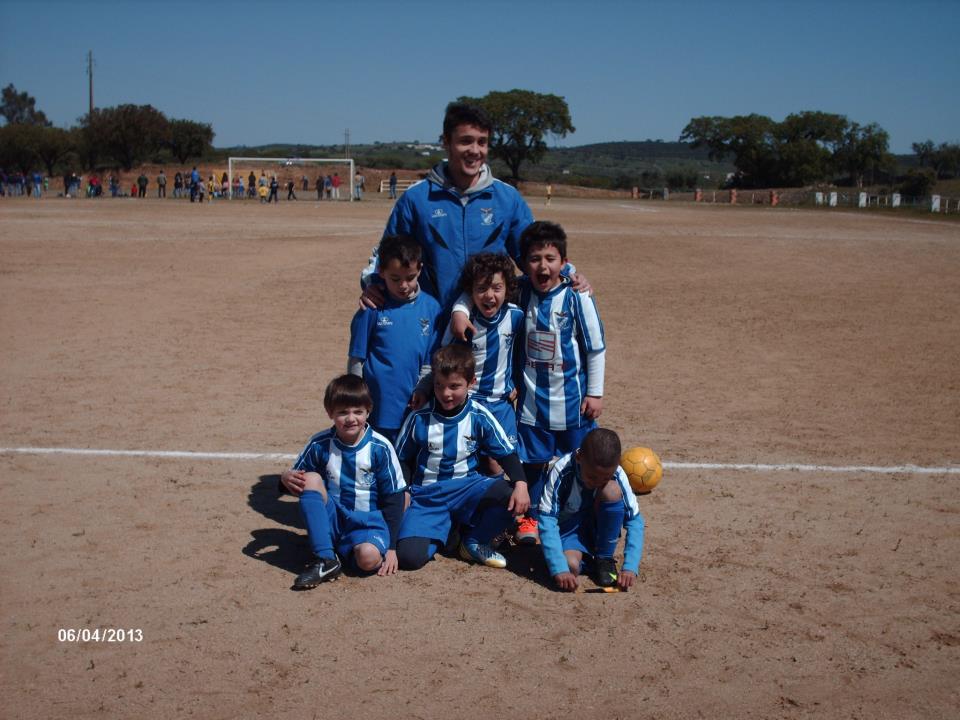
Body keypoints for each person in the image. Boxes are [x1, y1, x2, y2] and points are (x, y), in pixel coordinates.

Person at [393, 344, 530, 570]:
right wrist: (404, 491)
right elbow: (402, 459)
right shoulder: (419, 418)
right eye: (439, 385)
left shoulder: (479, 415)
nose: (446, 393)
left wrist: (521, 484)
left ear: (471, 383)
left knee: (511, 496)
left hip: (467, 488)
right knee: (409, 558)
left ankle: (473, 541)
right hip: (428, 495)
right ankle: (448, 535)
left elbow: (506, 454)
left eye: (454, 386)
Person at [512, 221, 606, 543]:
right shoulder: (519, 292)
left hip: (573, 403)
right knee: (533, 462)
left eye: (550, 259)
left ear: (563, 262)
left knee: (581, 461)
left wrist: (595, 393)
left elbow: (595, 348)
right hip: (532, 402)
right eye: (535, 259)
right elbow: (481, 290)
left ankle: (583, 516)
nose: (543, 266)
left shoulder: (577, 296)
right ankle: (532, 518)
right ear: (524, 263)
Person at [280, 374, 407, 588]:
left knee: (367, 558)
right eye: (342, 412)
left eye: (358, 412)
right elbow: (297, 482)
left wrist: (392, 547)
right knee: (309, 478)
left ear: (368, 411)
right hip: (334, 518)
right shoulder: (319, 443)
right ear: (330, 412)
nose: (351, 419)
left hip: (367, 523)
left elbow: (394, 498)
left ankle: (343, 551)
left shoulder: (380, 448)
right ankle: (326, 559)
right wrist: (284, 478)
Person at [414, 253, 524, 477]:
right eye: (481, 289)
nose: (489, 295)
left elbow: (522, 354)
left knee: (501, 462)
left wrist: (517, 383)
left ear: (507, 289)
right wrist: (424, 387)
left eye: (497, 288)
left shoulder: (516, 316)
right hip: (469, 402)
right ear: (470, 292)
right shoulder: (462, 322)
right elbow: (440, 357)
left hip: (501, 404)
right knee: (473, 460)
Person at [348, 235, 441, 444]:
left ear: (420, 269)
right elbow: (357, 358)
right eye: (395, 279)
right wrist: (357, 397)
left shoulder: (432, 308)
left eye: (410, 277)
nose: (403, 285)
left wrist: (422, 389)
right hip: (377, 409)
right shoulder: (371, 308)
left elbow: (430, 361)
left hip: (414, 407)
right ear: (381, 272)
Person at [536, 428, 644, 592]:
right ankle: (582, 558)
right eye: (592, 476)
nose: (598, 482)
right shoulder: (561, 469)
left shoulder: (618, 473)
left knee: (611, 490)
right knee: (570, 566)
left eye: (605, 477)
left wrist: (630, 567)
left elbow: (634, 521)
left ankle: (604, 558)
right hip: (569, 531)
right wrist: (559, 569)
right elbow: (547, 519)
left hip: (598, 525)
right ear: (579, 457)